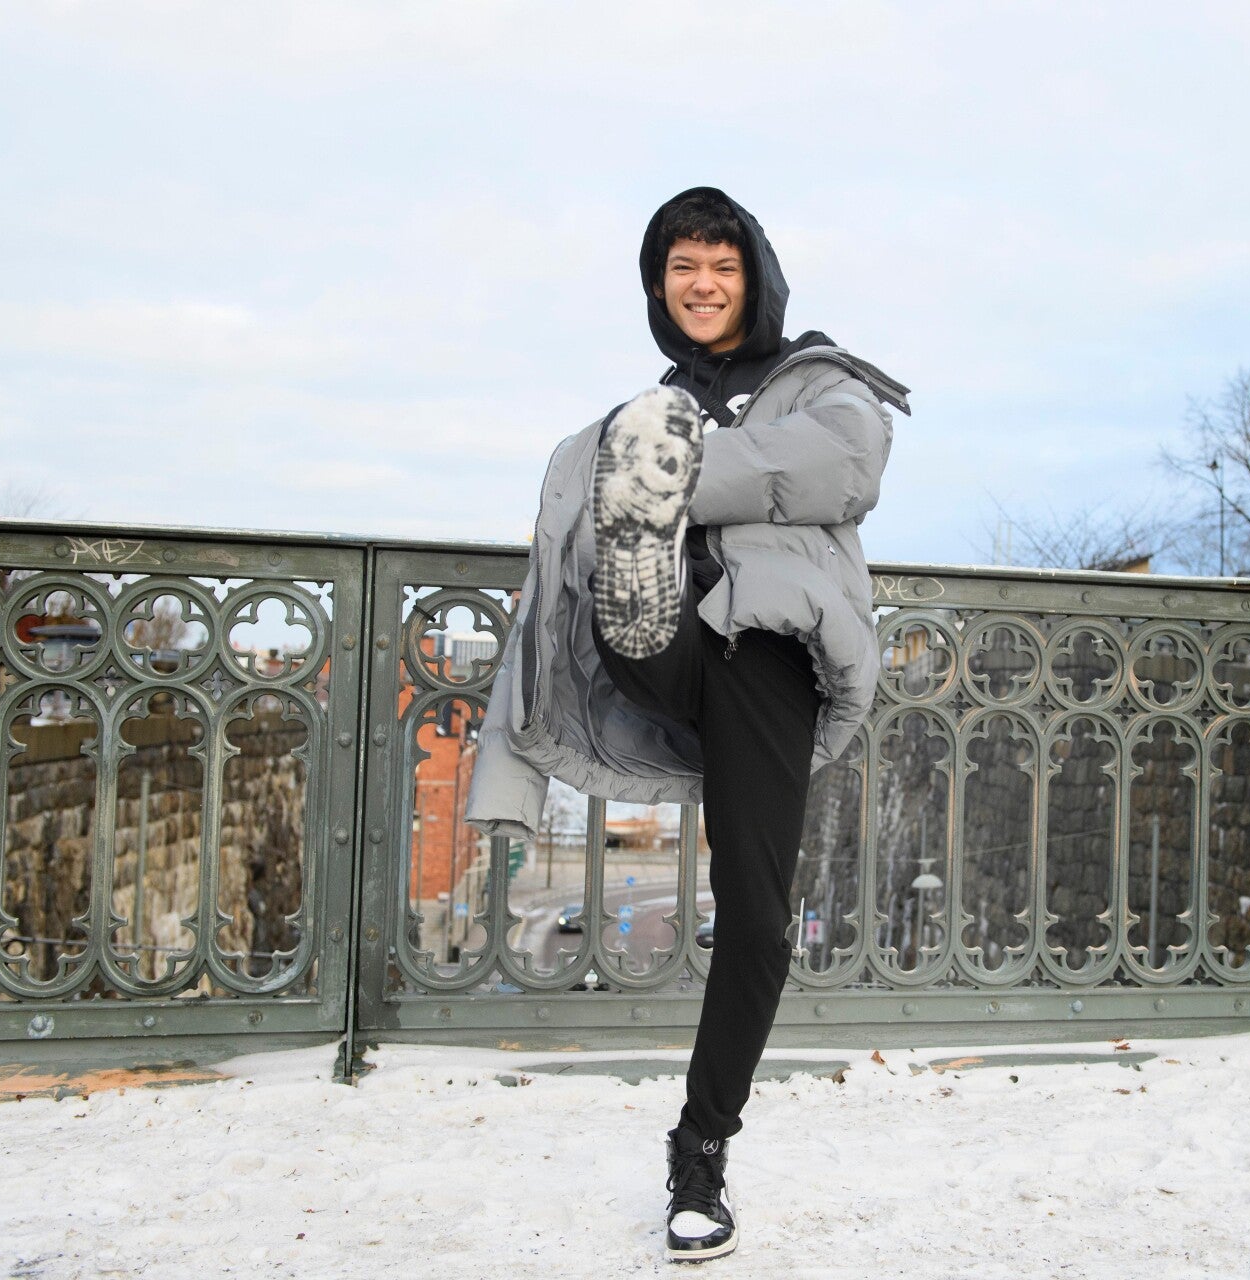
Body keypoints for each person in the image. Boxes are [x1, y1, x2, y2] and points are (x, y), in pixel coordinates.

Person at [466, 186, 908, 1262]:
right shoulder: (643, 411)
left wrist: (676, 480)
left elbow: (846, 468)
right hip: (657, 649)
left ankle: (700, 1147)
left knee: (757, 916)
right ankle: (640, 580)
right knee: (622, 557)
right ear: (658, 286)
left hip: (766, 653)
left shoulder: (820, 381)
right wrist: (507, 775)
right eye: (682, 268)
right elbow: (542, 592)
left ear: (753, 275)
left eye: (721, 265)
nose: (702, 285)